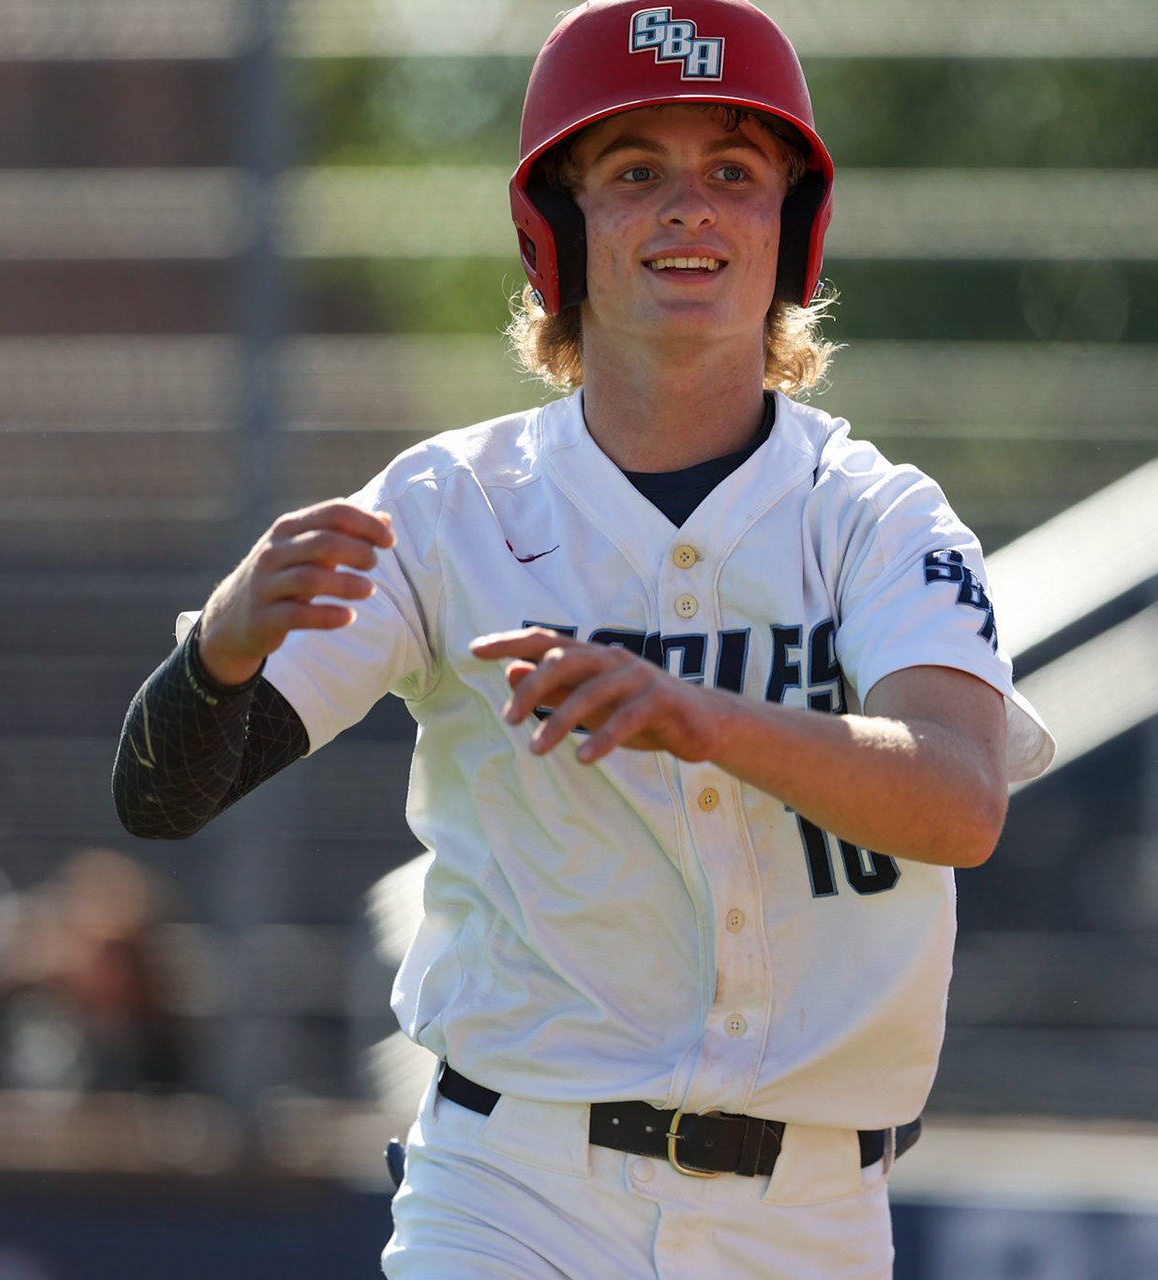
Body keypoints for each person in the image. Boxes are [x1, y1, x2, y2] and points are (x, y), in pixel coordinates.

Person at [112, 2, 1054, 1273]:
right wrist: (219, 651)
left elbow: (960, 798)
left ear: (790, 225)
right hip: (516, 1188)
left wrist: (704, 718)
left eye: (735, 172)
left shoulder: (879, 516)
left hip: (811, 1216)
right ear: (554, 230)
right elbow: (163, 796)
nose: (690, 208)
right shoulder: (451, 508)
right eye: (635, 173)